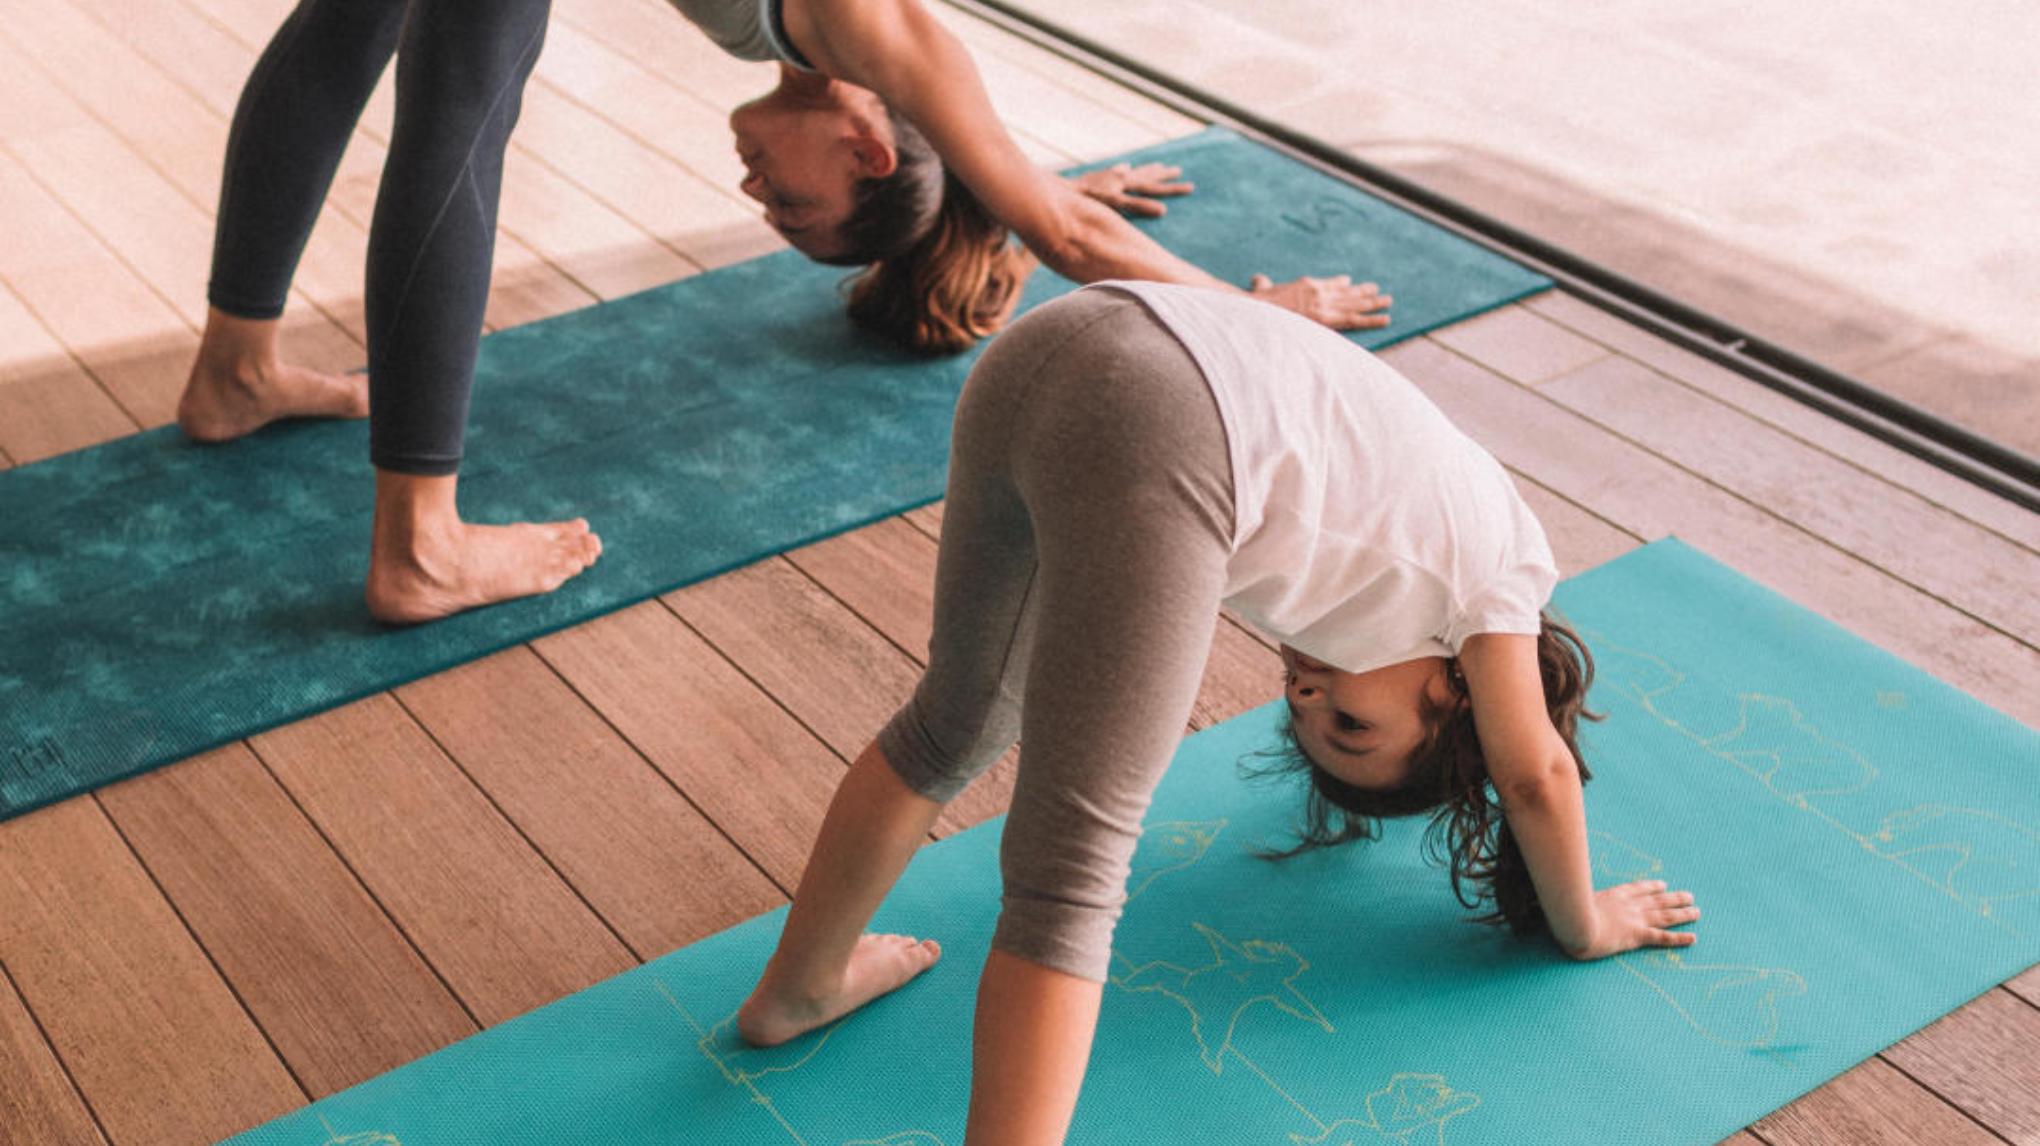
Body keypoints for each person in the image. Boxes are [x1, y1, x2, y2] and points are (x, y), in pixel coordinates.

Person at [732, 283, 1701, 1144]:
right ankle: (804, 991)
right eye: (1354, 726)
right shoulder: (1501, 582)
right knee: (1071, 871)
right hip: (1158, 410)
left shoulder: (1405, 560)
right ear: (1459, 701)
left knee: (953, 725)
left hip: (1065, 337)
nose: (1310, 693)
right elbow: (1533, 775)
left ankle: (799, 988)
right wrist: (1584, 926)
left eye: (1307, 716)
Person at [175, 0, 1391, 624]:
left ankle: (239, 370)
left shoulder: (853, 64)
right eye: (796, 209)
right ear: (865, 151)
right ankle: (420, 545)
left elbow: (1004, 179)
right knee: (463, 99)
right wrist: (1261, 316)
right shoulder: (871, 32)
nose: (757, 198)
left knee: (354, 21)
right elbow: (1069, 238)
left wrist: (1026, 182)